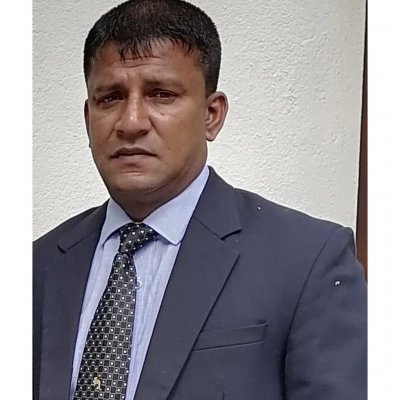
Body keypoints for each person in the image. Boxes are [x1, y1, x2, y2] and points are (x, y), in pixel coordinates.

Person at [33, 0, 367, 399]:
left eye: (161, 94)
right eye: (110, 98)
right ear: (88, 119)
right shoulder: (37, 267)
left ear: (212, 115)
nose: (131, 122)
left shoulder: (307, 261)